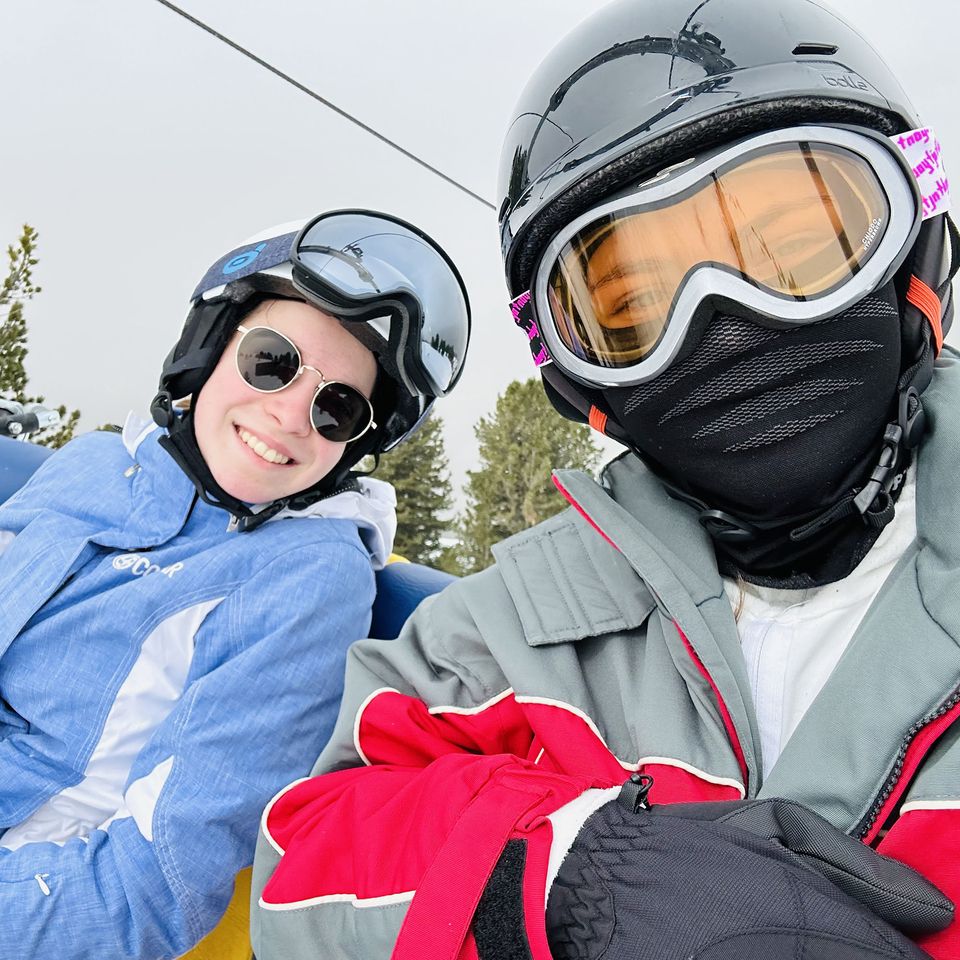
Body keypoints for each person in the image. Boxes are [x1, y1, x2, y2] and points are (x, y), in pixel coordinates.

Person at [250, 2, 960, 958]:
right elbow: (309, 858)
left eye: (797, 246)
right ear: (576, 375)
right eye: (633, 303)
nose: (724, 314)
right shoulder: (506, 632)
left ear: (915, 244)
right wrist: (558, 870)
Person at [0, 209, 471, 957]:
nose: (289, 414)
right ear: (211, 350)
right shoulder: (96, 467)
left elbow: (156, 879)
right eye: (272, 362)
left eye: (337, 408)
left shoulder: (307, 578)